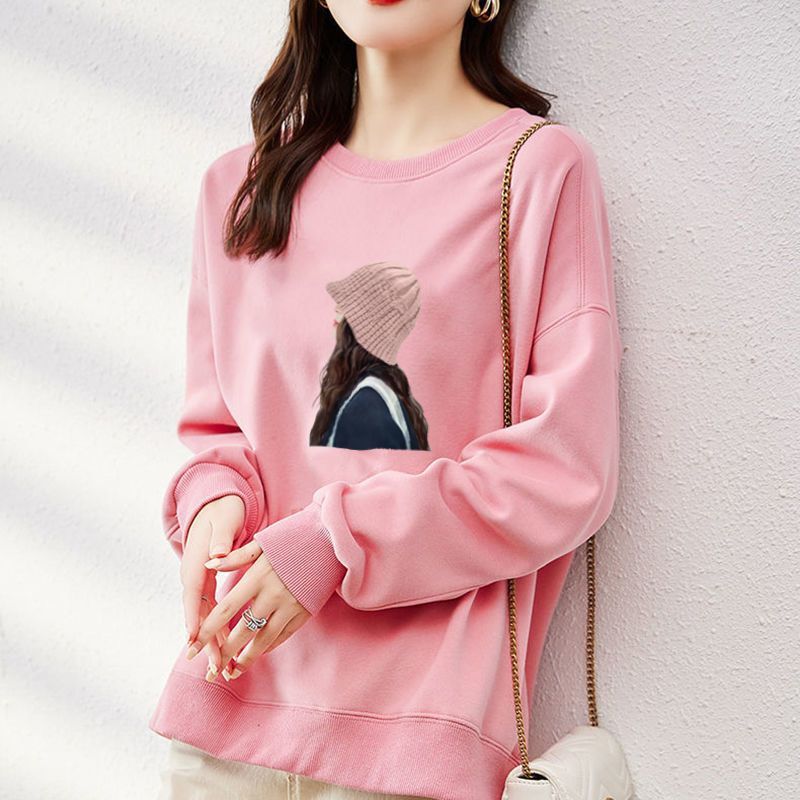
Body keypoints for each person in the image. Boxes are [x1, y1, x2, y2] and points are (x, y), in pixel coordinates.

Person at [149, 0, 623, 798]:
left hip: (415, 745)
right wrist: (211, 502)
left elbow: (565, 468)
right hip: (226, 719)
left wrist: (334, 542)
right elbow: (219, 430)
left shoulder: (535, 171)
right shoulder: (242, 186)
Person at [311, 261, 430, 451]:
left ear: (365, 325)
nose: (336, 309)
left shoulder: (366, 406)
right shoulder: (384, 393)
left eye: (347, 305)